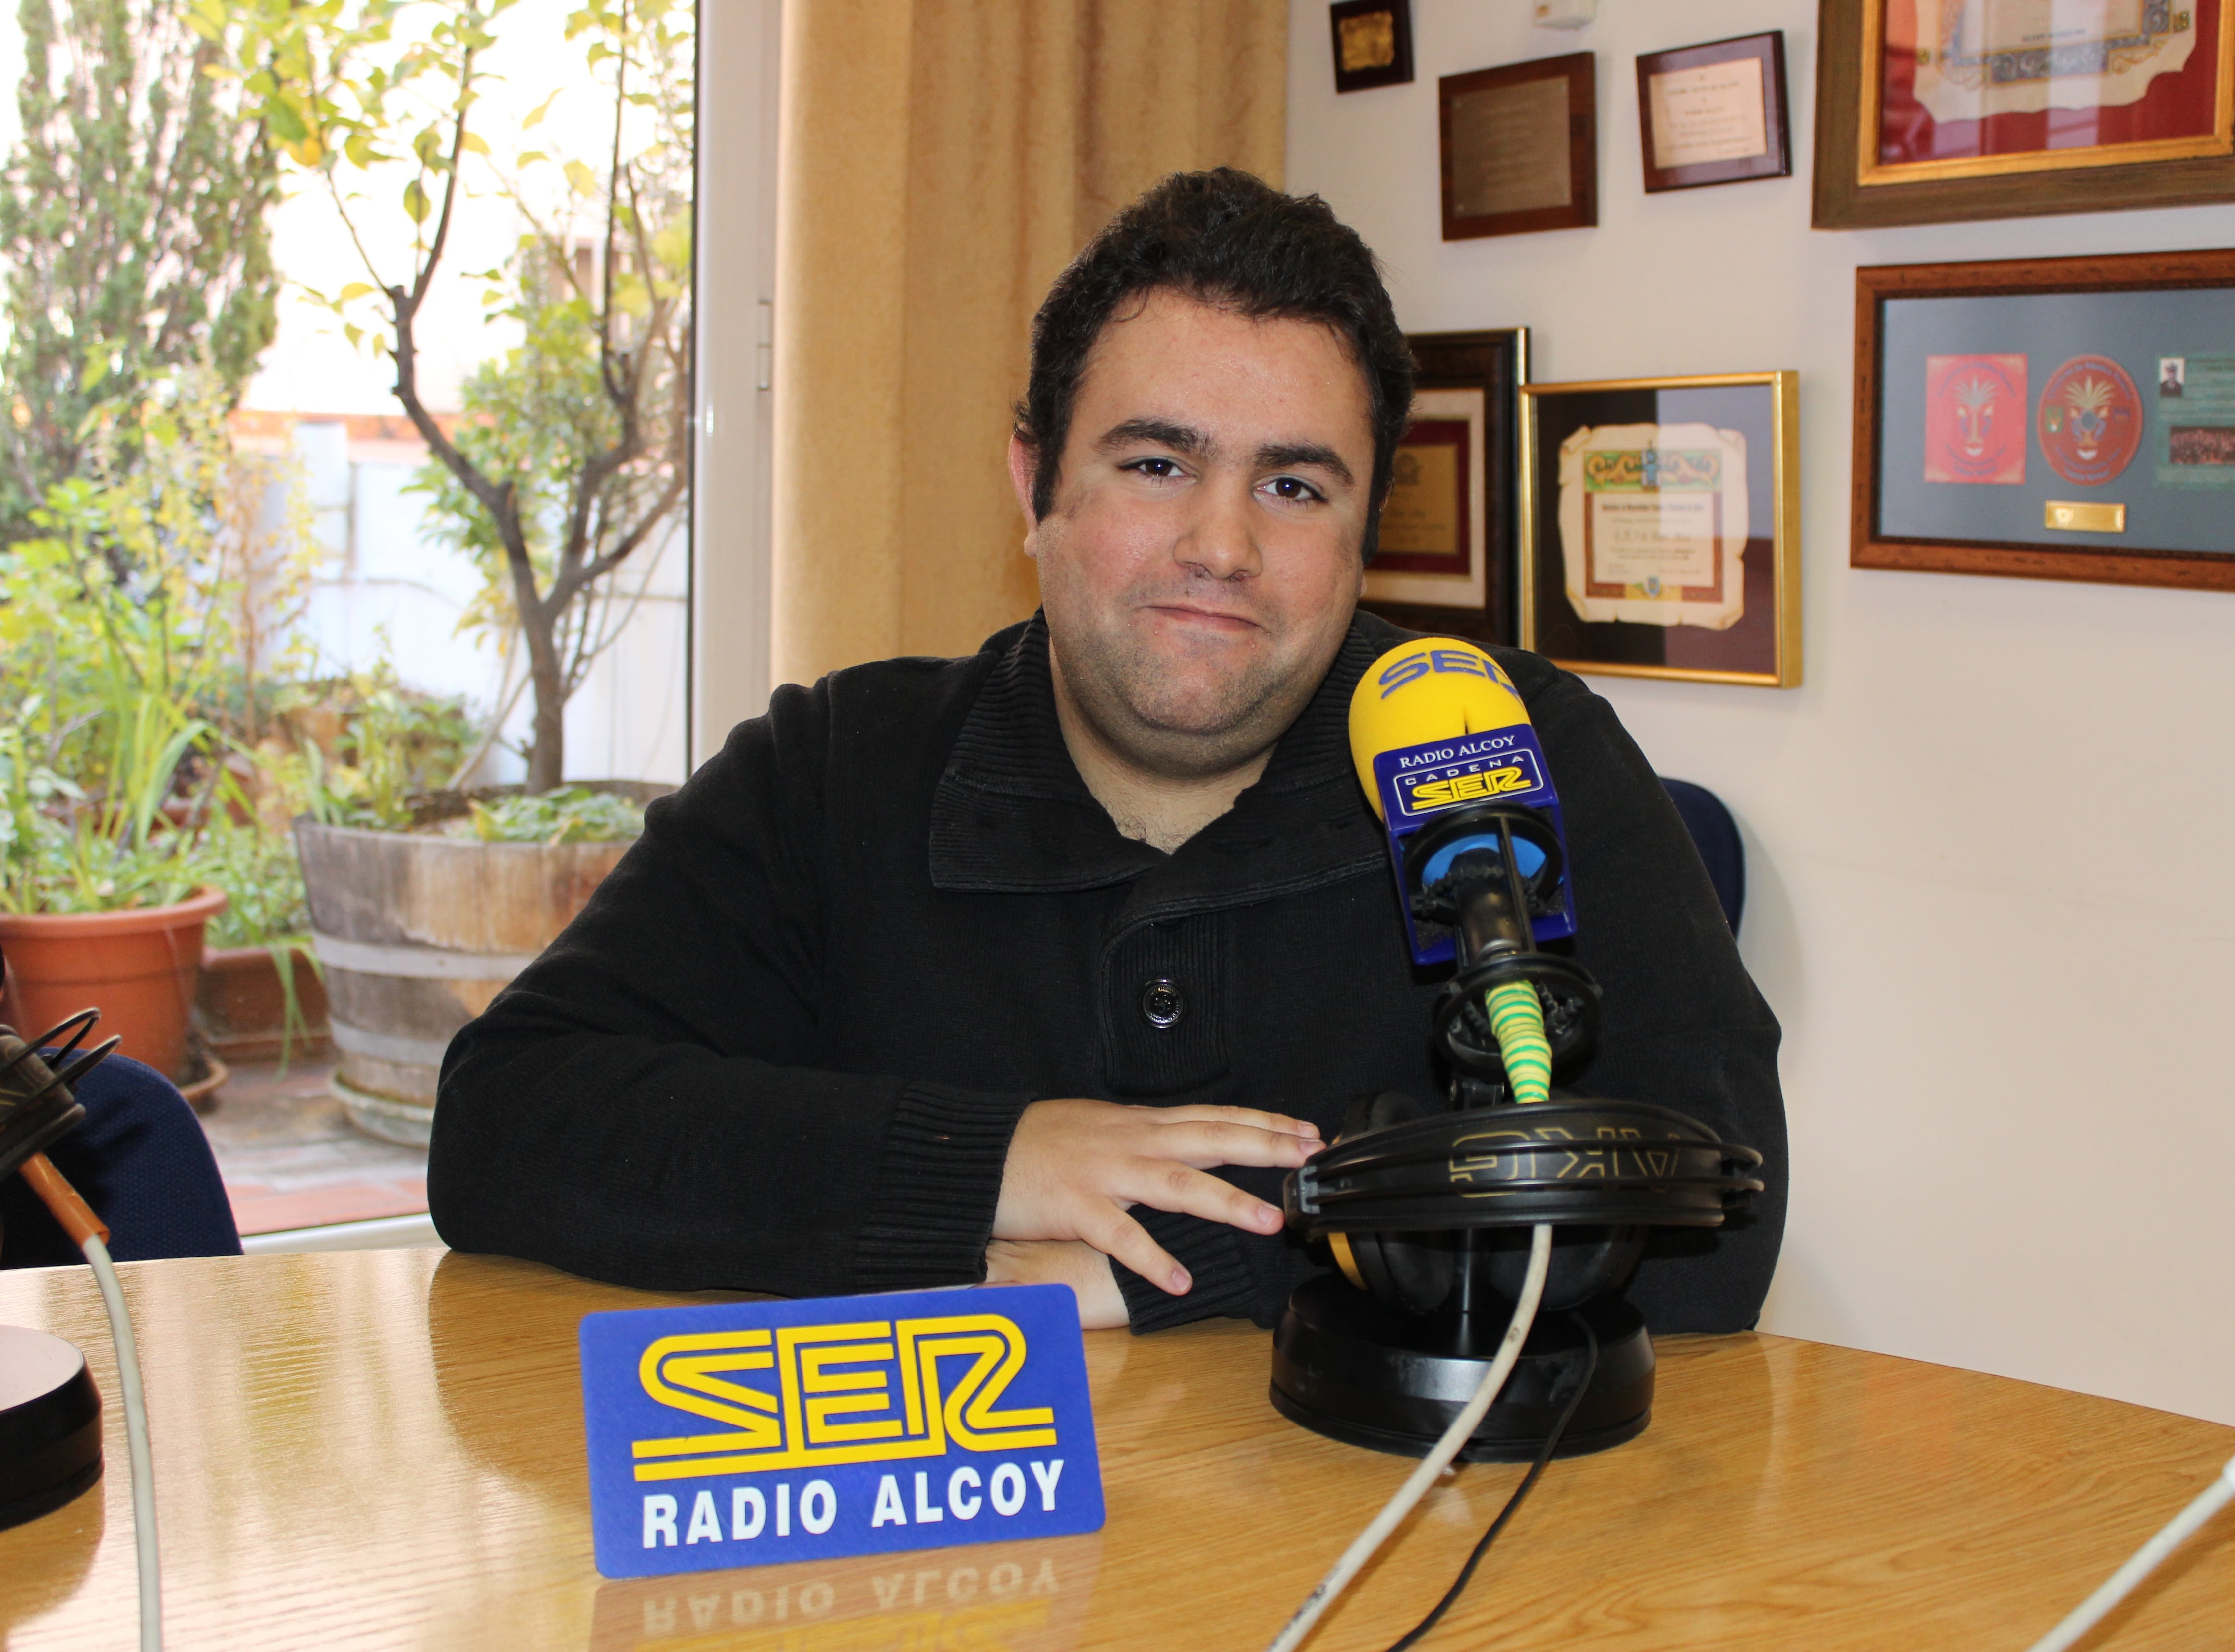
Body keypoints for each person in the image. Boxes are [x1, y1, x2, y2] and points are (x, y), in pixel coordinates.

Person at [428, 170, 1787, 1333]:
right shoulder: (836, 769)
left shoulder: (1503, 747)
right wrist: (994, 1164)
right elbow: (509, 1122)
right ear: (1036, 484)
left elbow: (1715, 1213)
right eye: (1156, 465)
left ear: (1366, 527)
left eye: (1294, 485)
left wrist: (1185, 1261)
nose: (1222, 545)